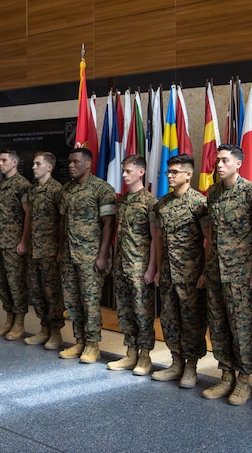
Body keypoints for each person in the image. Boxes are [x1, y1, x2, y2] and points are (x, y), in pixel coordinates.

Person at [202, 144, 252, 405]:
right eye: (217, 160)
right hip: (216, 272)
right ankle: (226, 374)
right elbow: (211, 235)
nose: (219, 165)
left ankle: (243, 380)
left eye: (225, 161)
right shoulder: (214, 192)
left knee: (241, 329)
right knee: (218, 327)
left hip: (241, 274)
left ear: (238, 164)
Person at [151, 154, 209, 388]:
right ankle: (176, 362)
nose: (170, 176)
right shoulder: (162, 204)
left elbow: (209, 241)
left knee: (192, 321)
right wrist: (156, 269)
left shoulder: (199, 203)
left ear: (188, 174)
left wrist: (205, 272)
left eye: (175, 172)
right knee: (169, 319)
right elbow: (159, 239)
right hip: (168, 274)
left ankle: (191, 366)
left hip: (191, 275)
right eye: (169, 172)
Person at [59, 147, 116, 364]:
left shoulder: (102, 189)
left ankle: (93, 345)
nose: (72, 166)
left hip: (91, 256)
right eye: (70, 163)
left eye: (76, 162)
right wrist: (59, 249)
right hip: (69, 255)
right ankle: (80, 340)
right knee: (73, 300)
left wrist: (103, 255)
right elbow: (63, 221)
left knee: (90, 301)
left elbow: (108, 224)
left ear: (88, 164)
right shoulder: (66, 190)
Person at [107, 155, 157, 375]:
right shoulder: (123, 201)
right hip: (122, 265)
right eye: (123, 171)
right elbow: (118, 234)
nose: (124, 175)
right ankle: (131, 353)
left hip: (140, 266)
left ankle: (145, 356)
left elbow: (156, 238)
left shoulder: (150, 202)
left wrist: (151, 268)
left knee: (142, 312)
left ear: (141, 172)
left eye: (128, 171)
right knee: (125, 312)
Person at [0, 149, 31, 341]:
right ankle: (9, 318)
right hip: (0, 241)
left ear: (14, 163)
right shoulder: (3, 184)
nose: (0, 163)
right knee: (2, 282)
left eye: (4, 160)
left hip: (14, 244)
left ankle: (19, 322)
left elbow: (28, 215)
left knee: (16, 283)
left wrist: (23, 241)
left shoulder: (22, 185)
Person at [24, 151, 65, 349]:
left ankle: (56, 332)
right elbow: (29, 219)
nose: (34, 167)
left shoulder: (58, 191)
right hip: (34, 250)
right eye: (33, 164)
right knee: (37, 291)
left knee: (52, 293)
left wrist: (60, 249)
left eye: (38, 164)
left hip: (50, 251)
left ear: (49, 167)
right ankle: (44, 328)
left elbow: (63, 223)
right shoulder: (32, 191)